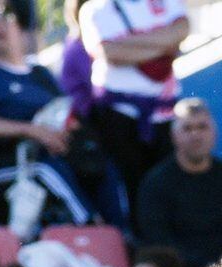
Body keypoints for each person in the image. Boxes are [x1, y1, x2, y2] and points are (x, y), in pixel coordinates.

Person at [0, 0, 112, 228]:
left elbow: (64, 107)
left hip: (50, 151)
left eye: (7, 18)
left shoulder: (39, 73)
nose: (0, 24)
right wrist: (32, 131)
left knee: (98, 161)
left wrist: (66, 129)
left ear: (21, 32)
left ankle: (121, 232)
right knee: (45, 171)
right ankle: (91, 228)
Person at [132, 99, 222, 267]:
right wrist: (207, 266)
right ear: (173, 136)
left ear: (214, 133)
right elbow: (159, 241)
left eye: (202, 127)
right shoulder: (156, 183)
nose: (195, 135)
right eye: (187, 128)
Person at [79, 0, 189, 202]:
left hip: (165, 113)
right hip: (121, 115)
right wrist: (163, 48)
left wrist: (132, 43)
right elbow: (110, 53)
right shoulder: (96, 9)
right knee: (136, 188)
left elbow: (182, 29)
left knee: (174, 187)